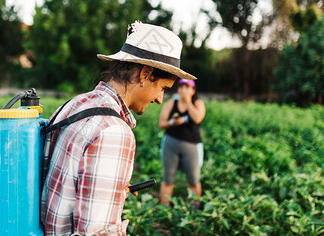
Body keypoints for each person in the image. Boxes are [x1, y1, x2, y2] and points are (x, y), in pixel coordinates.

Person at [40, 21, 196, 235]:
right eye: (162, 88)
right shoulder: (114, 131)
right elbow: (97, 232)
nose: (160, 99)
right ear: (144, 74)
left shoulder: (75, 104)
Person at [158, 78, 206, 209]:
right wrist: (173, 123)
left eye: (187, 87)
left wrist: (188, 102)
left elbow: (197, 118)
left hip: (191, 146)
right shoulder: (171, 103)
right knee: (168, 179)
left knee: (193, 179)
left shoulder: (198, 103)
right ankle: (165, 209)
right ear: (178, 89)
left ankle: (195, 210)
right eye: (181, 87)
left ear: (193, 90)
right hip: (171, 144)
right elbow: (161, 124)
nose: (183, 90)